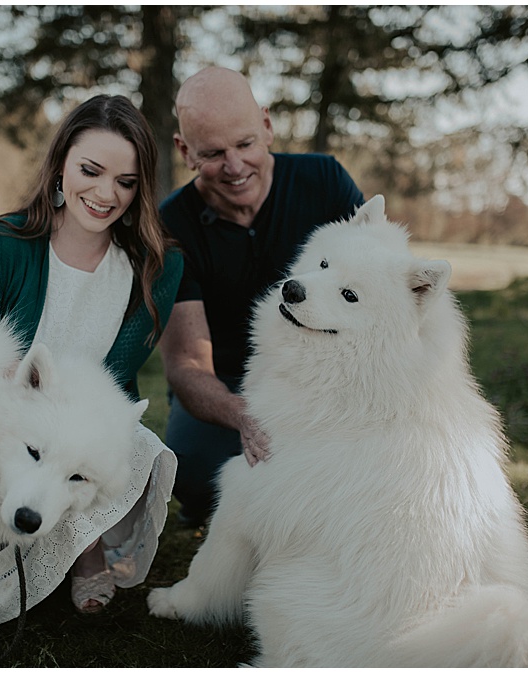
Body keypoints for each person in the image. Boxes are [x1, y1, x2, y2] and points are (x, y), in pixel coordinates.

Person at [0, 94, 183, 614]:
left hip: (84, 426)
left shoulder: (155, 268)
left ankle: (85, 550)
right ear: (59, 166)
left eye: (125, 182)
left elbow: (116, 377)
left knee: (124, 450)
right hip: (5, 425)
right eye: (91, 171)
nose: (105, 194)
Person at [158, 67, 365, 527]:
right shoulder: (171, 224)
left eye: (245, 144)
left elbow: (375, 285)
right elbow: (187, 366)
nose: (234, 167)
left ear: (267, 126)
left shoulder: (325, 180)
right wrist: (245, 415)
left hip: (323, 372)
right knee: (194, 475)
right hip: (228, 381)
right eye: (212, 153)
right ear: (184, 151)